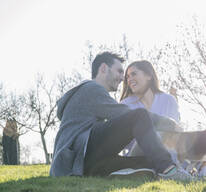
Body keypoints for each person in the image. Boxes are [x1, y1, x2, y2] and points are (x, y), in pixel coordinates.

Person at [50, 52, 193, 181]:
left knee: (148, 163)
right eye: (119, 72)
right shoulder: (91, 89)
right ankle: (169, 171)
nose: (121, 78)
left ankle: (176, 171)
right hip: (80, 155)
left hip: (81, 164)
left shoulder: (88, 93)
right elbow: (127, 114)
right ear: (104, 68)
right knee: (139, 116)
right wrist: (171, 124)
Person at [119, 60, 180, 158]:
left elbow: (175, 131)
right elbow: (122, 140)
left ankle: (202, 166)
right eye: (127, 77)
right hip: (137, 157)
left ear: (149, 76)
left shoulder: (169, 100)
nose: (129, 79)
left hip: (168, 154)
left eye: (133, 74)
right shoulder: (125, 105)